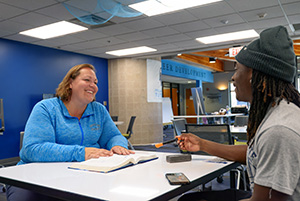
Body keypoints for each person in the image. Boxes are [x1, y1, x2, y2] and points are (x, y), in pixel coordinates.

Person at [178, 25, 300, 201]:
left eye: (237, 69)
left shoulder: (279, 129)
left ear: (252, 75)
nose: (233, 78)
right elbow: (255, 154)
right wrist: (202, 144)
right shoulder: (279, 110)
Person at [6, 63, 134, 201]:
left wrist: (118, 145)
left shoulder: (99, 110)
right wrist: (82, 152)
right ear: (70, 83)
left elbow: (113, 136)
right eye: (87, 80)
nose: (93, 85)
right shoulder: (46, 108)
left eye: (95, 82)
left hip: (83, 173)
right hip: (35, 175)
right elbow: (33, 149)